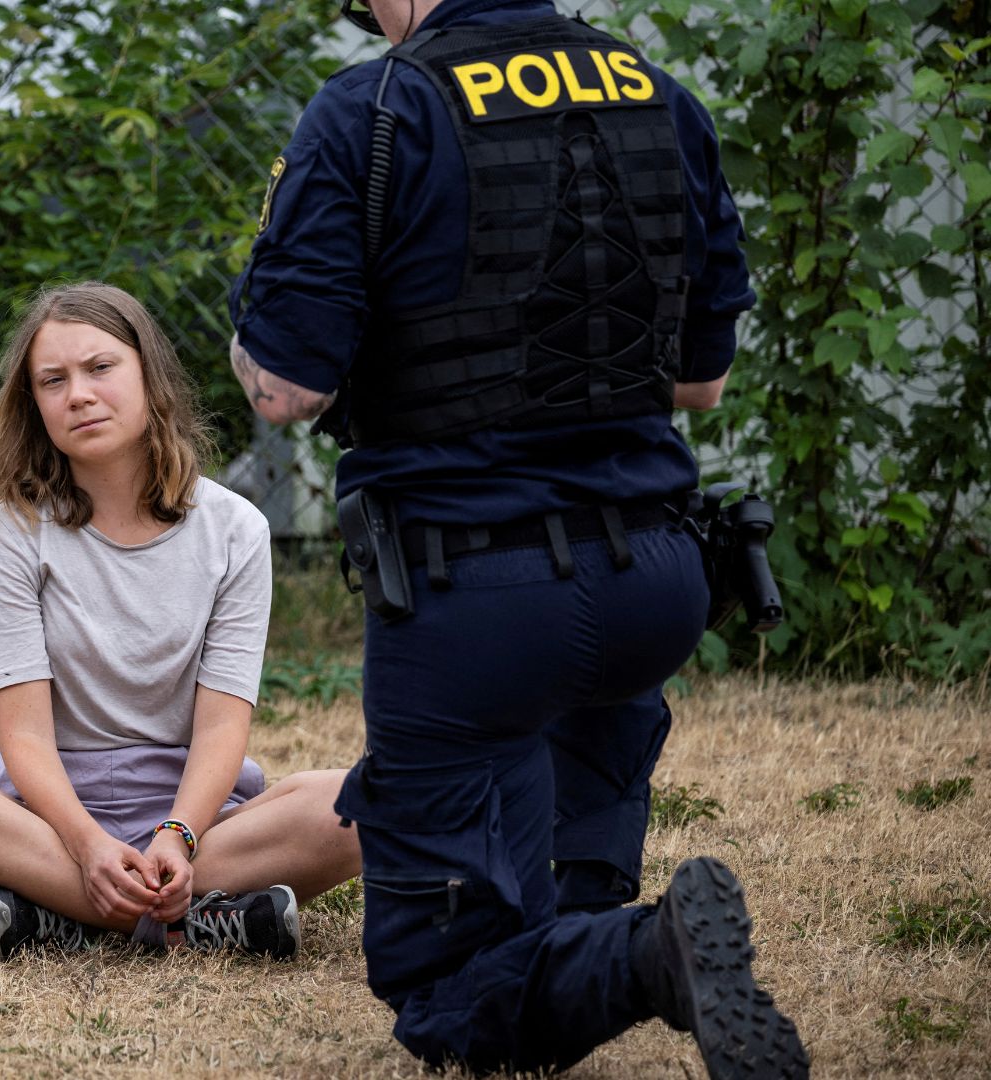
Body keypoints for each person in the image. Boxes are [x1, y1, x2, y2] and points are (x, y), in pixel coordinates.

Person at [228, 1, 809, 1076]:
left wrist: (253, 329)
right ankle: (623, 941)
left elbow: (286, 389)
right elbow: (701, 381)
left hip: (475, 607)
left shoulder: (375, 107)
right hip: (655, 581)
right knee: (554, 909)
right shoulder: (653, 91)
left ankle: (655, 955)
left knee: (446, 994)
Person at [0, 282, 361, 958]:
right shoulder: (11, 529)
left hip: (193, 820)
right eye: (53, 380)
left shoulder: (234, 529)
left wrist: (177, 836)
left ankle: (58, 920)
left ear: (149, 377)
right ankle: (199, 921)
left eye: (101, 368)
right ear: (34, 404)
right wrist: (88, 845)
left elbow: (223, 725)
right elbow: (25, 737)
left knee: (362, 803)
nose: (78, 393)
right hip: (45, 821)